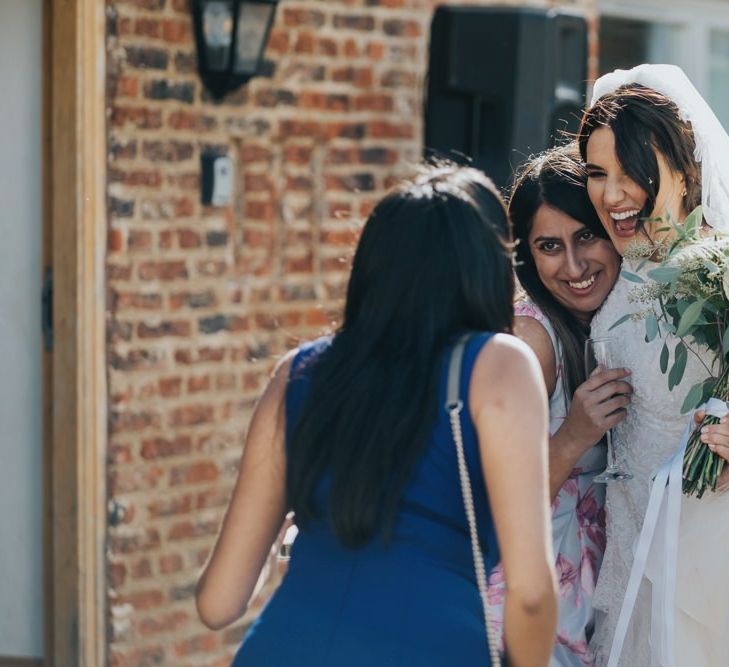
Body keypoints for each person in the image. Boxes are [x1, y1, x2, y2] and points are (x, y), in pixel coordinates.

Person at [195, 163, 558, 666]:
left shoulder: (297, 373)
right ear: (489, 269)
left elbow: (218, 602)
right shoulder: (500, 365)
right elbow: (532, 594)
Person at [578, 64, 729, 666]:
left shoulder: (718, 271)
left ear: (684, 169)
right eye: (597, 173)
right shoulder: (615, 267)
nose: (611, 195)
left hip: (703, 556)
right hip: (627, 550)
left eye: (632, 172)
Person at [487, 145, 628, 666]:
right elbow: (491, 501)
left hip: (591, 599)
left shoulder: (618, 324)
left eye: (585, 236)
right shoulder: (530, 341)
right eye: (550, 246)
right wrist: (573, 436)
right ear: (526, 255)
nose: (574, 266)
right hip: (528, 612)